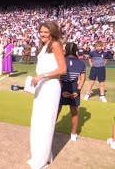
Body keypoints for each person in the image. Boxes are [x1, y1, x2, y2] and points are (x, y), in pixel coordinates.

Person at [28, 21, 66, 169]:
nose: (42, 34)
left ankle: (41, 161)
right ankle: (42, 156)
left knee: (45, 124)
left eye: (45, 32)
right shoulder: (44, 46)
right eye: (41, 32)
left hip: (50, 86)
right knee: (37, 122)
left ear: (52, 32)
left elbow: (63, 69)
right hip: (41, 86)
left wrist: (42, 76)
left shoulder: (55, 44)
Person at [57, 42, 86, 142]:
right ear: (76, 51)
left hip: (62, 87)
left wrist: (62, 90)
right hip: (74, 88)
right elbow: (82, 79)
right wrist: (77, 91)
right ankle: (73, 134)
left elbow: (58, 77)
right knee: (74, 112)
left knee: (56, 110)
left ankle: (50, 130)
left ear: (66, 50)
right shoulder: (81, 63)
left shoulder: (61, 61)